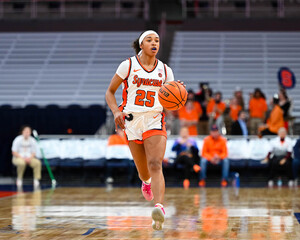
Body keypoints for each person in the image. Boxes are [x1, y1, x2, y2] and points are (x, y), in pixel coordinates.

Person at [105, 30, 183, 230]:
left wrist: (178, 92)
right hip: (131, 121)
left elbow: (171, 104)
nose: (154, 43)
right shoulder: (128, 65)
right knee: (143, 171)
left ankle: (159, 208)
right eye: (149, 40)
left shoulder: (166, 71)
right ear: (141, 44)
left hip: (154, 120)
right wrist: (115, 111)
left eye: (157, 40)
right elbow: (110, 92)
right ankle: (146, 181)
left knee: (156, 163)